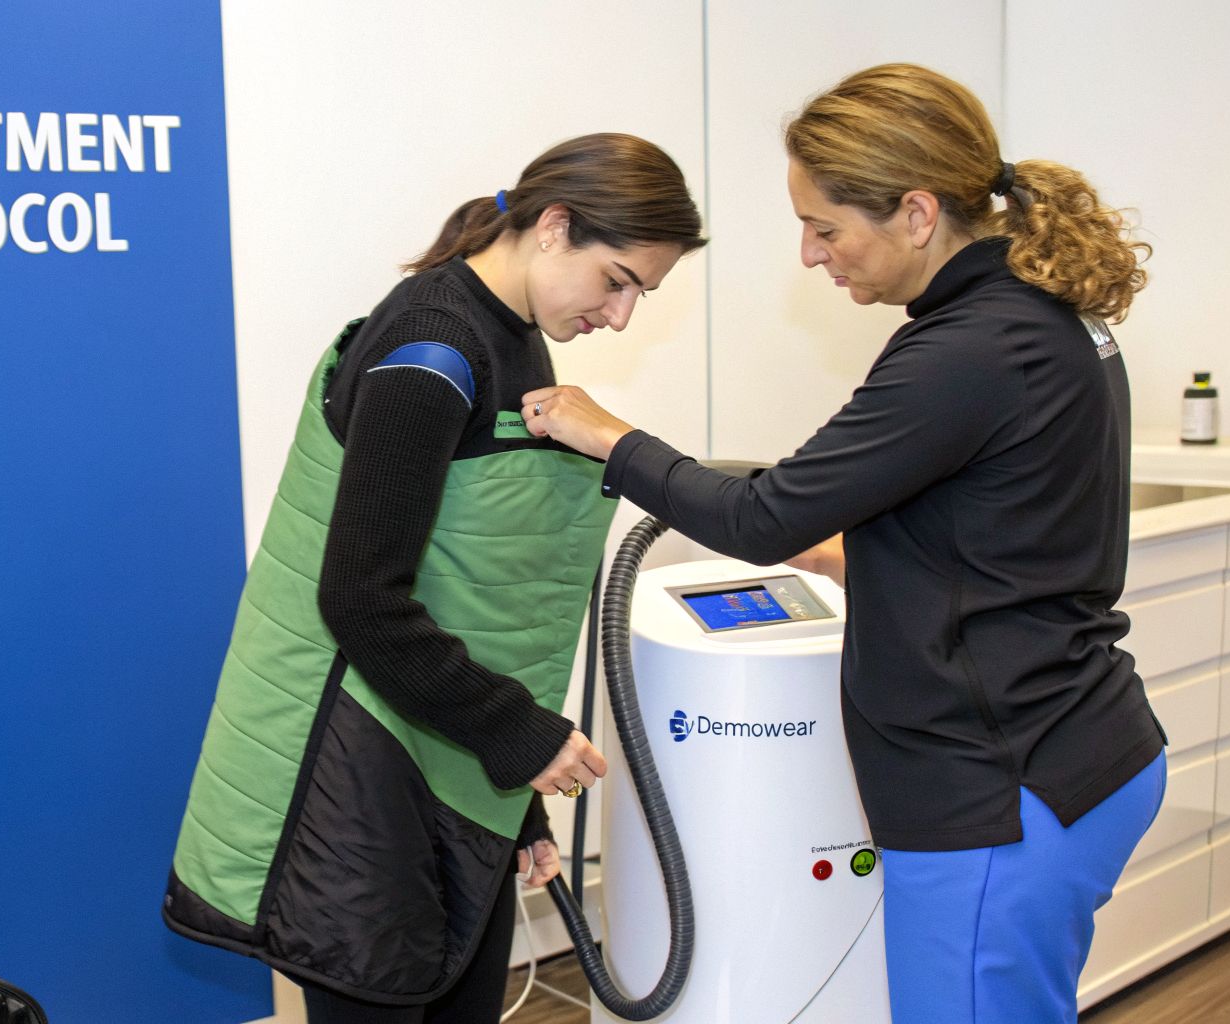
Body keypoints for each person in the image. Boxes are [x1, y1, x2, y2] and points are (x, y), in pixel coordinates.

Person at [522, 65, 1166, 1024]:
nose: (811, 254)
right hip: (1074, 749)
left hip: (1002, 788)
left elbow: (761, 517)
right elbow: (1000, 530)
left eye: (825, 227)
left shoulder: (969, 347)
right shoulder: (1042, 314)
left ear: (917, 213)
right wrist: (842, 554)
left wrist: (609, 436)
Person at [163, 133, 706, 1023]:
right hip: (357, 772)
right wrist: (521, 737)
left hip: (443, 760)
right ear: (554, 227)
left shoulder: (515, 335)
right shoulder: (433, 348)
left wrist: (519, 801)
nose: (620, 317)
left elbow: (470, 582)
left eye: (640, 293)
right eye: (617, 281)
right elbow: (362, 601)